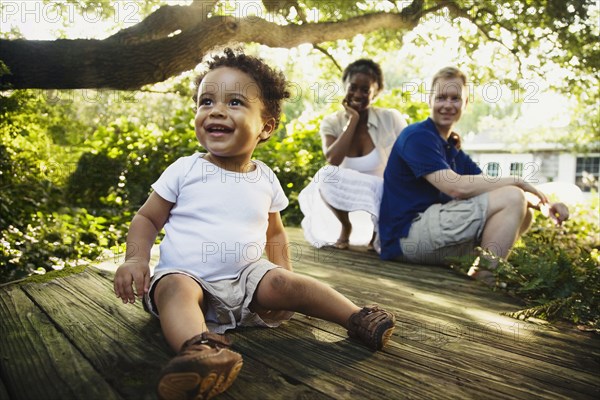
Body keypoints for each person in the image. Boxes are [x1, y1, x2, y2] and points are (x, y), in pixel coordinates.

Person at [113, 49, 396, 400]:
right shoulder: (185, 169)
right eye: (206, 101)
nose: (215, 110)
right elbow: (147, 218)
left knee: (288, 282)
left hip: (247, 282)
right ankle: (199, 352)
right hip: (187, 276)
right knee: (174, 289)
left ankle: (355, 318)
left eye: (234, 102)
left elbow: (274, 232)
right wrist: (136, 259)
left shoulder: (265, 178)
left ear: (265, 126)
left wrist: (282, 275)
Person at [378, 66, 569, 284]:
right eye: (441, 97)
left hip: (430, 235)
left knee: (523, 210)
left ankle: (480, 274)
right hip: (406, 238)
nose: (448, 105)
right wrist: (518, 181)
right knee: (514, 197)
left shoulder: (451, 148)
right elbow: (455, 187)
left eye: (455, 98)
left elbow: (491, 189)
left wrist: (545, 205)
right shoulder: (417, 137)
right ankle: (486, 282)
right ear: (430, 100)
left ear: (466, 103)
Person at [299, 59, 406, 250]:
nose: (358, 94)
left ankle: (376, 233)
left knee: (386, 184)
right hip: (347, 197)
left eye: (365, 90)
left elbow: (410, 154)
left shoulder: (390, 118)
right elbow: (333, 160)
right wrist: (353, 121)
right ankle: (345, 226)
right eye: (353, 88)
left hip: (384, 195)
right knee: (325, 175)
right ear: (345, 87)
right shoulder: (331, 122)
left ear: (376, 92)